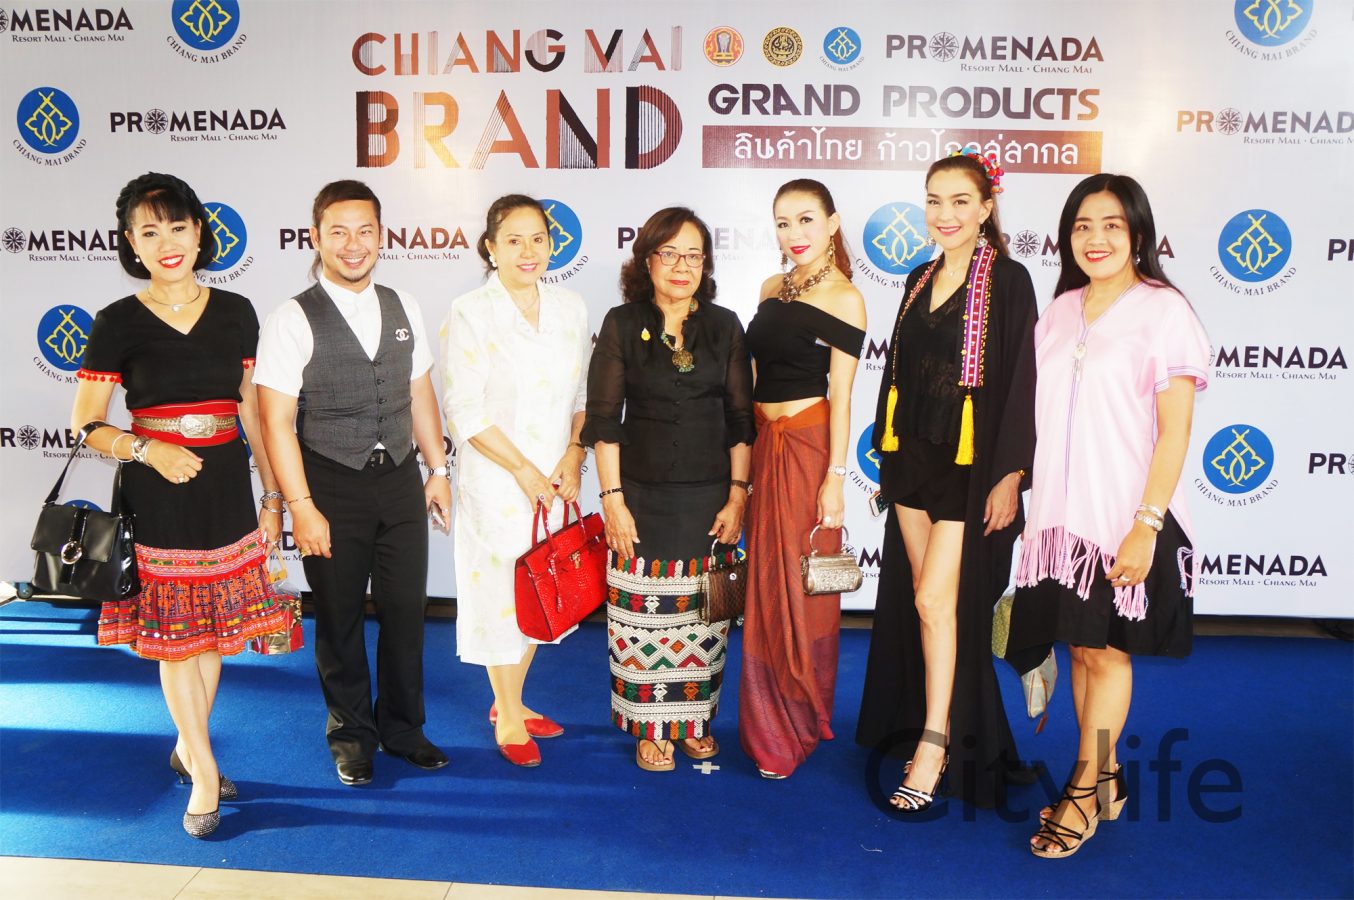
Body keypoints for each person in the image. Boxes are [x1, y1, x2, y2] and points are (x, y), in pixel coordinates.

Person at [71, 172, 290, 837]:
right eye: (149, 231)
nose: (166, 242)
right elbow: (86, 423)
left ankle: (188, 744)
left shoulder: (237, 311)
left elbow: (252, 412)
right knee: (175, 638)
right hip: (155, 491)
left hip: (225, 488)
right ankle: (203, 769)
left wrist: (273, 496)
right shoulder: (116, 321)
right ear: (131, 244)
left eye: (177, 226)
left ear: (199, 232)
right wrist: (147, 450)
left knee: (210, 633)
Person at [1009, 174, 1208, 857]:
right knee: (1081, 648)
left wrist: (1146, 525)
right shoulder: (1060, 310)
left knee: (1108, 652)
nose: (1096, 239)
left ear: (1139, 235)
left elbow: (1175, 432)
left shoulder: (1164, 311)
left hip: (1126, 517)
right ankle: (1108, 774)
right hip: (1061, 525)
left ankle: (1082, 792)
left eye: (1112, 225)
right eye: (1082, 226)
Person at [855, 149, 1038, 812]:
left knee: (937, 603)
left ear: (987, 207)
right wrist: (886, 456)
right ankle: (948, 724)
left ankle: (933, 747)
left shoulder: (1009, 281)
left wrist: (1011, 472)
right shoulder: (917, 277)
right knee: (927, 606)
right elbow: (896, 374)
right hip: (911, 464)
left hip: (970, 469)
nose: (945, 214)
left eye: (960, 201)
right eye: (934, 200)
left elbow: (1022, 381)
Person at [255, 180, 453, 787]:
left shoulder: (403, 304)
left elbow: (419, 392)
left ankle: (404, 729)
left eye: (365, 230)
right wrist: (300, 507)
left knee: (405, 612)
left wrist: (438, 470)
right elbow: (275, 422)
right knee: (339, 618)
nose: (353, 244)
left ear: (381, 236)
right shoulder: (292, 317)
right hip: (329, 485)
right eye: (338, 232)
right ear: (315, 238)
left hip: (399, 479)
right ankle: (351, 736)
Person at [583, 207, 754, 772]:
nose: (682, 266)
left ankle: (694, 721)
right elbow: (604, 420)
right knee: (641, 620)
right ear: (647, 260)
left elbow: (740, 420)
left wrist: (738, 495)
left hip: (711, 501)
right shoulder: (622, 323)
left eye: (693, 255)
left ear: (706, 264)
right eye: (669, 253)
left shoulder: (726, 326)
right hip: (640, 499)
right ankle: (650, 727)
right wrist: (612, 501)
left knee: (706, 618)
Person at [440, 194, 590, 768]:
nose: (529, 252)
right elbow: (464, 409)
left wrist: (573, 455)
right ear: (490, 248)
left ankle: (512, 698)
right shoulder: (471, 312)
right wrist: (524, 471)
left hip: (556, 480)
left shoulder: (571, 307)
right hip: (499, 479)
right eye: (513, 240)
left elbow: (584, 395)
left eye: (538, 239)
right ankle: (507, 713)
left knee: (541, 591)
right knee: (501, 596)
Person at [740, 179, 866, 779]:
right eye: (784, 222)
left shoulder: (846, 298)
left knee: (799, 588)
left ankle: (797, 721)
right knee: (765, 584)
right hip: (765, 446)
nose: (794, 233)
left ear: (833, 224)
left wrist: (835, 478)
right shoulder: (771, 288)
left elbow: (843, 395)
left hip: (809, 449)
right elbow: (755, 375)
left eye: (807, 219)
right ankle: (764, 724)